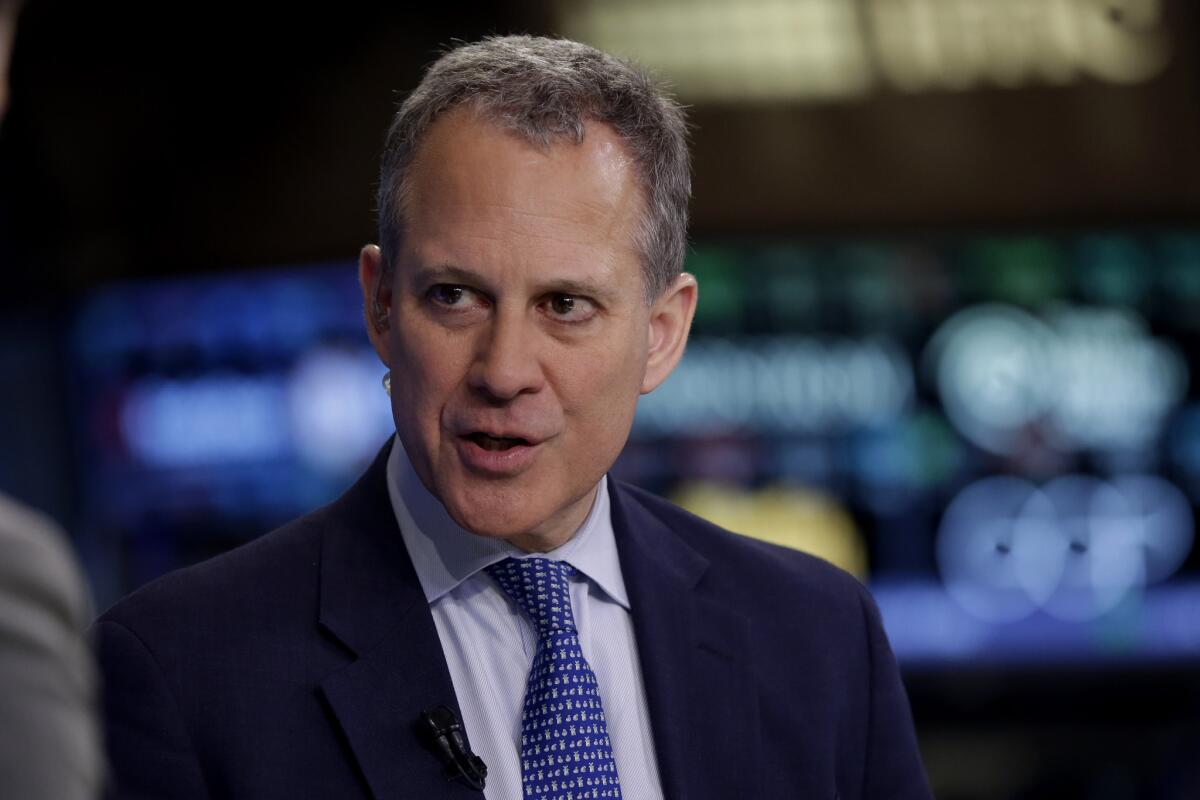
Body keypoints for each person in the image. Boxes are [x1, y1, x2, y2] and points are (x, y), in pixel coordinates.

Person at [93, 35, 932, 799]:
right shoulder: (179, 671)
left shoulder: (819, 639)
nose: (503, 371)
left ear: (662, 333)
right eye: (453, 297)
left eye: (565, 305)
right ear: (381, 305)